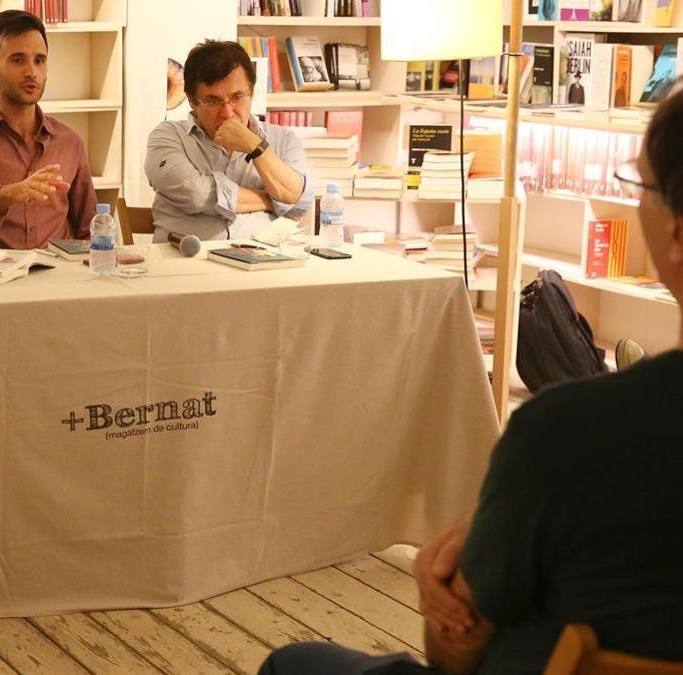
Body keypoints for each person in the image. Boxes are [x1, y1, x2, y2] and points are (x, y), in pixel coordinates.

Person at [257, 87, 683, 675]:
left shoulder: (566, 434)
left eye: (642, 187)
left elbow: (457, 643)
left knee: (294, 663)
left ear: (676, 231)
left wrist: (478, 540)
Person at [0, 10, 98, 249]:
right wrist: (9, 194)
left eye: (39, 60)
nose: (32, 71)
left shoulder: (69, 140)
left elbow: (88, 227)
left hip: (57, 275)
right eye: (18, 60)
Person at [145, 40, 311, 242]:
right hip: (186, 261)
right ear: (192, 100)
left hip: (262, 264)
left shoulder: (284, 139)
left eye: (238, 97)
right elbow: (196, 194)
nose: (227, 112)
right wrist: (271, 200)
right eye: (213, 101)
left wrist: (255, 146)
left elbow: (299, 200)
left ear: (252, 92)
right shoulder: (167, 136)